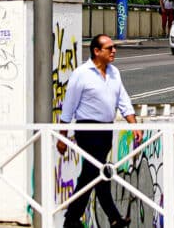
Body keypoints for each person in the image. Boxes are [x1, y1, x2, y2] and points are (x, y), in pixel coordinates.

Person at [58, 34, 136, 228]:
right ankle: (110, 217)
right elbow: (68, 107)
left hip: (106, 130)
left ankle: (74, 219)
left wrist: (134, 125)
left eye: (114, 47)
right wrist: (62, 137)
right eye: (109, 48)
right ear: (96, 51)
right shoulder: (81, 73)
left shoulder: (114, 73)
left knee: (94, 174)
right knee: (97, 171)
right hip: (88, 129)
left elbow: (123, 101)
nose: (114, 51)